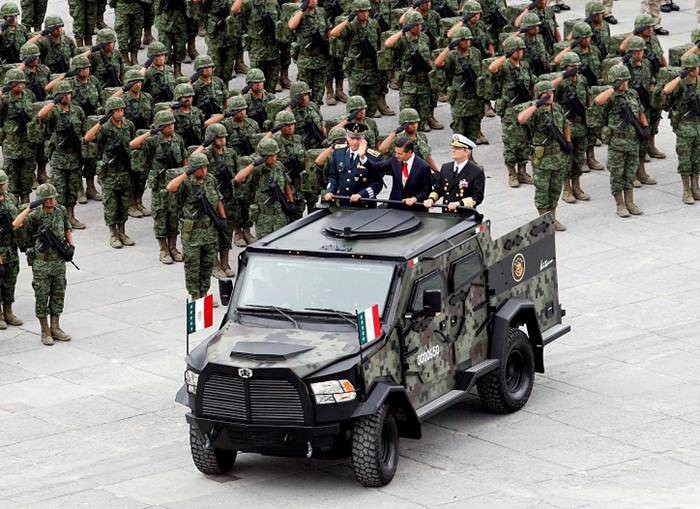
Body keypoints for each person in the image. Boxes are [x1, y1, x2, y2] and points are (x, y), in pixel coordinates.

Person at [12, 183, 74, 346]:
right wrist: (30, 207)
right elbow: (16, 224)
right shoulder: (35, 215)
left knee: (58, 293)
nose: (52, 201)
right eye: (48, 199)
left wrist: (71, 246)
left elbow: (67, 228)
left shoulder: (60, 210)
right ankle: (45, 330)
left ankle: (56, 327)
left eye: (53, 198)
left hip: (58, 261)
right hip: (41, 262)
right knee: (42, 296)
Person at [166, 153, 225, 301]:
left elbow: (217, 199)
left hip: (210, 230)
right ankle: (195, 295)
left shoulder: (210, 180)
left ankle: (204, 293)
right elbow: (170, 188)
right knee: (193, 266)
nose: (204, 170)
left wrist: (223, 218)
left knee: (207, 264)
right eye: (200, 168)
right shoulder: (186, 182)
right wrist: (186, 173)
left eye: (205, 167)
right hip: (192, 232)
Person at [130, 110, 187, 263]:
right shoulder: (153, 141)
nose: (171, 127)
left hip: (175, 185)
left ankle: (173, 247)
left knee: (174, 216)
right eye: (167, 125)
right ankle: (164, 249)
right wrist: (151, 132)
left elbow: (184, 161)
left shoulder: (178, 140)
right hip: (160, 186)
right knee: (161, 217)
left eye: (172, 124)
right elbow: (133, 144)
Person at [594, 64, 649, 218]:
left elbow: (640, 111)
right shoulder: (609, 96)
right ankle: (620, 204)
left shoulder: (632, 94)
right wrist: (613, 88)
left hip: (633, 141)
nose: (625, 83)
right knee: (617, 174)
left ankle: (630, 202)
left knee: (630, 173)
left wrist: (645, 126)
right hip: (618, 142)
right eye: (621, 81)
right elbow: (598, 101)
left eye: (626, 80)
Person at [517, 80, 571, 231]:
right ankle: (544, 221)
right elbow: (521, 119)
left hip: (558, 156)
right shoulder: (535, 111)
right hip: (542, 159)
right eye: (547, 94)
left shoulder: (557, 108)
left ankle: (552, 218)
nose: (550, 96)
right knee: (542, 192)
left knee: (555, 191)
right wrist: (537, 104)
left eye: (552, 93)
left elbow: (566, 124)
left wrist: (568, 142)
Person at [84, 96, 137, 248]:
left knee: (123, 204)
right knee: (111, 205)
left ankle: (122, 232)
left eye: (122, 110)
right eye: (117, 111)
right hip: (109, 173)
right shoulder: (105, 128)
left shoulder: (128, 125)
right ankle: (113, 234)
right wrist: (101, 121)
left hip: (125, 170)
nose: (121, 113)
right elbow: (88, 137)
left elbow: (132, 143)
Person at [37, 80, 87, 230]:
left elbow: (84, 132)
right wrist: (54, 102)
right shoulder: (52, 111)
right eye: (63, 94)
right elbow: (40, 116)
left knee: (72, 190)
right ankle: (60, 220)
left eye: (69, 93)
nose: (67, 96)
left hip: (74, 156)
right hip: (59, 157)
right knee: (59, 190)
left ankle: (71, 216)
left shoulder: (77, 111)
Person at [234, 138, 294, 238]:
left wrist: (291, 202)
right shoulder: (256, 170)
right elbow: (238, 179)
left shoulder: (279, 166)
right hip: (264, 218)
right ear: (263, 156)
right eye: (270, 156)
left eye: (275, 155)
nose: (274, 158)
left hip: (281, 214)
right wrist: (254, 164)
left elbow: (287, 184)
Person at [662, 53, 700, 205]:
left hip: (698, 125)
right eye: (690, 69)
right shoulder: (680, 83)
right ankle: (686, 190)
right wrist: (680, 76)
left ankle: (696, 187)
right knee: (685, 159)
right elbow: (666, 91)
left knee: (697, 159)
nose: (694, 71)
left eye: (696, 67)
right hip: (685, 126)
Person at [322, 122, 383, 208]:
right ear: (347, 137)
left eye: (358, 139)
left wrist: (362, 195)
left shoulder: (373, 157)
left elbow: (377, 184)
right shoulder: (338, 152)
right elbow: (333, 177)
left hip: (364, 205)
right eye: (351, 138)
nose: (354, 142)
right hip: (343, 204)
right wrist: (330, 191)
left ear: (363, 139)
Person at [363, 136, 432, 210]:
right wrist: (363, 159)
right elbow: (378, 166)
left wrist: (414, 199)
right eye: (396, 152)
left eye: (400, 153)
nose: (396, 155)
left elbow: (426, 190)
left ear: (409, 152)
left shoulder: (423, 167)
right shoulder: (395, 160)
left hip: (414, 209)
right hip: (395, 207)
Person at [0, 68, 36, 205]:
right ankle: (14, 205)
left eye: (22, 82)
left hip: (27, 141)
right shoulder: (4, 99)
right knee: (12, 176)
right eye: (16, 83)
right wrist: (3, 91)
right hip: (11, 144)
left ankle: (26, 201)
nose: (21, 85)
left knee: (27, 174)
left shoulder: (29, 95)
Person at [423, 134, 484, 211]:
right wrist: (431, 199)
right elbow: (439, 189)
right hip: (446, 213)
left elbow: (477, 197)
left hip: (464, 215)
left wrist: (459, 203)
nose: (453, 150)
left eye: (457, 148)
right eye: (453, 147)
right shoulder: (446, 167)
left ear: (466, 152)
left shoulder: (476, 172)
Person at [288, 0, 329, 106]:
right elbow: (291, 25)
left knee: (319, 94)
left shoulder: (321, 12)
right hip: (305, 61)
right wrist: (302, 9)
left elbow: (328, 30)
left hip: (321, 59)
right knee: (303, 94)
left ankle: (316, 115)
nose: (313, 1)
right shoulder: (299, 13)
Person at [0, 170, 23, 329]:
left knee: (11, 278)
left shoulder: (11, 198)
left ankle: (8, 310)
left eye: (4, 183)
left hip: (11, 247)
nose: (3, 186)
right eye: (1, 184)